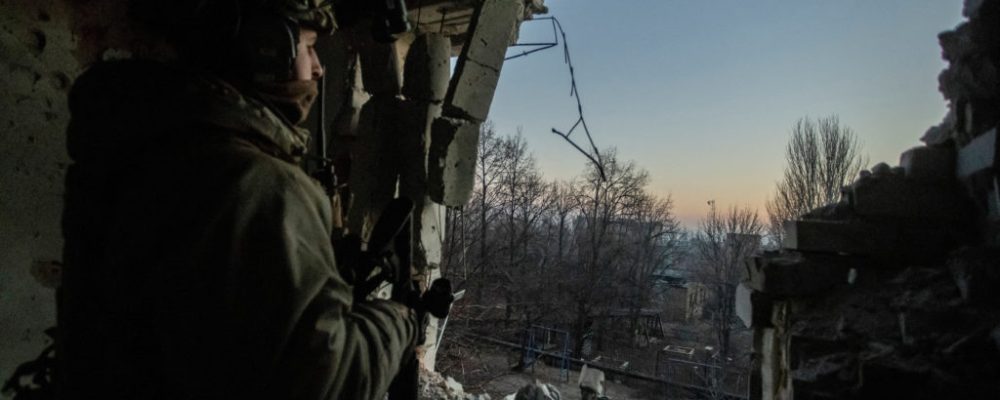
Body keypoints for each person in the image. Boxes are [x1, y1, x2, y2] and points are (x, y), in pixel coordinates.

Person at [58, 1, 419, 398]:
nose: (318, 67)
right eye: (308, 47)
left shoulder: (139, 146)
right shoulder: (259, 183)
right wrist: (400, 322)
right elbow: (327, 381)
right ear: (266, 48)